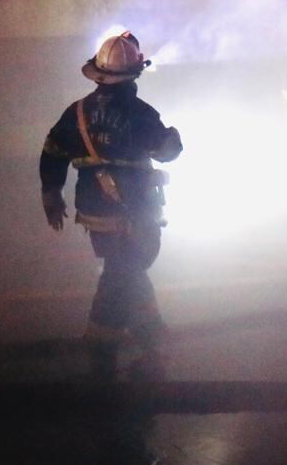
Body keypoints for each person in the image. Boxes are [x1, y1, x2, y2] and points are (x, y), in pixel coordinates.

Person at [39, 31, 183, 379]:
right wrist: (174, 137)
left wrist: (51, 194)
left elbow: (53, 152)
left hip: (95, 214)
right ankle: (101, 346)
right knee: (123, 274)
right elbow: (167, 152)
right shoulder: (140, 113)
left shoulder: (76, 113)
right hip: (136, 212)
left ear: (99, 73)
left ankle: (151, 333)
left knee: (126, 268)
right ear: (134, 74)